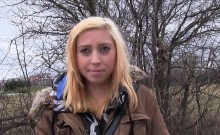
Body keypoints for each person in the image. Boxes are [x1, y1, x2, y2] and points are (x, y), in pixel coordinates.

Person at [29, 16, 169, 135]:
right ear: (74, 56)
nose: (95, 60)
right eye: (85, 50)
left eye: (104, 49)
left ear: (117, 53)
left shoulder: (141, 97)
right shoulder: (54, 106)